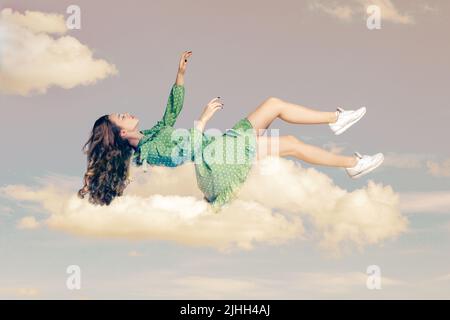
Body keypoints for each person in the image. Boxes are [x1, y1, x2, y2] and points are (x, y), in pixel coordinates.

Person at [78, 51, 384, 211]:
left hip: (219, 148)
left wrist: (180, 74)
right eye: (122, 116)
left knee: (281, 120)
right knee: (282, 124)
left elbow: (171, 110)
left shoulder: (152, 134)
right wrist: (202, 121)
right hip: (216, 160)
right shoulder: (150, 151)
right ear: (118, 133)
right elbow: (181, 155)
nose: (129, 113)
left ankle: (346, 145)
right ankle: (343, 139)